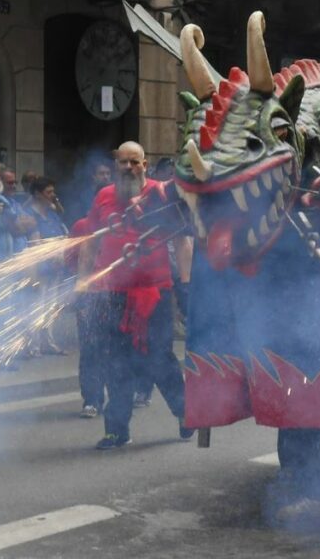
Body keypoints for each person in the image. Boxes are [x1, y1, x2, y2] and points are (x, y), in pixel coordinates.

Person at [74, 141, 191, 449]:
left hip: (155, 292)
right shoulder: (103, 196)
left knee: (160, 360)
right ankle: (116, 429)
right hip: (111, 294)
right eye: (122, 162)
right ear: (116, 166)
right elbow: (90, 241)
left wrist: (187, 285)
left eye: (134, 162)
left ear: (144, 164)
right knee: (115, 362)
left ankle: (185, 412)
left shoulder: (161, 195)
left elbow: (182, 242)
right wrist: (83, 281)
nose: (128, 167)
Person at [72, 162, 113, 418]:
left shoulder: (125, 226)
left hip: (119, 292)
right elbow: (74, 258)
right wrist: (80, 287)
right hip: (91, 294)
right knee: (90, 348)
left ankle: (123, 398)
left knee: (117, 348)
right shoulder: (83, 225)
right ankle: (92, 399)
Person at [19, 176, 69, 356]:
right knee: (36, 306)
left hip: (55, 266)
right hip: (40, 268)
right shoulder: (30, 215)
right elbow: (34, 243)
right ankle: (33, 345)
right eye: (49, 192)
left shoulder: (52, 213)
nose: (52, 195)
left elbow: (62, 235)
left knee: (51, 306)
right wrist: (49, 257)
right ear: (38, 194)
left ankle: (48, 341)